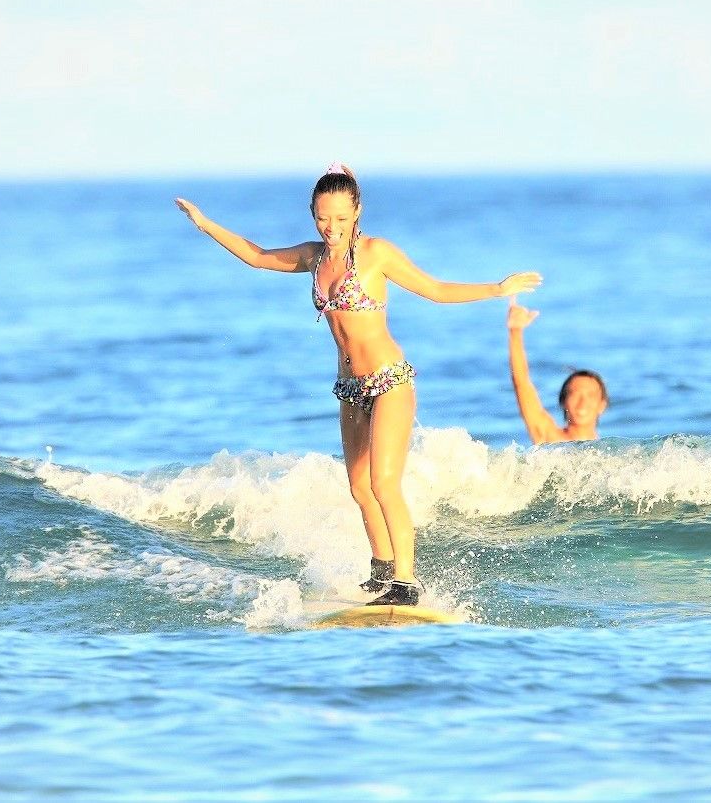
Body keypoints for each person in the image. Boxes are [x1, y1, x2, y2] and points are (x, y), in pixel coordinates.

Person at [175, 163, 542, 606]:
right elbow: (257, 256)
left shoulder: (375, 254)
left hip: (389, 382)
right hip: (349, 388)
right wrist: (205, 223)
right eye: (323, 218)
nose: (332, 228)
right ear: (313, 213)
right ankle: (382, 569)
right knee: (359, 487)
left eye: (342, 219)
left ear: (357, 212)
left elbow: (436, 289)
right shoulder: (313, 258)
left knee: (385, 484)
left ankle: (407, 582)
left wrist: (497, 288)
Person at [506, 296, 608, 444]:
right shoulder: (550, 440)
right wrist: (515, 332)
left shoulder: (611, 454)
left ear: (602, 405)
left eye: (590, 395)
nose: (582, 402)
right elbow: (521, 383)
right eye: (574, 394)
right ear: (563, 402)